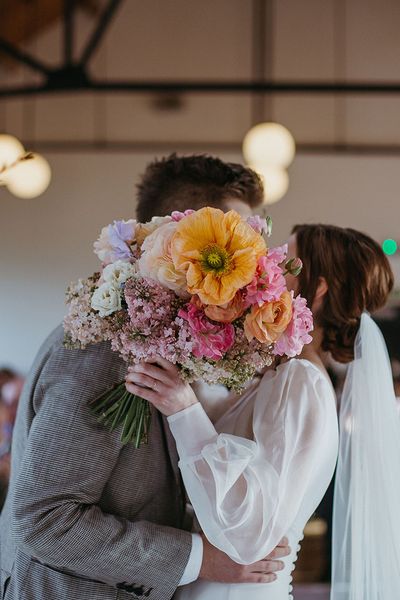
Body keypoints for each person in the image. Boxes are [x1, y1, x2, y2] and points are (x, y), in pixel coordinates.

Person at [0, 154, 289, 600]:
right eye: (237, 251)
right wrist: (201, 558)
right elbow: (43, 519)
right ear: (179, 242)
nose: (249, 273)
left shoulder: (159, 340)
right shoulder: (104, 348)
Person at [126, 224, 396, 600]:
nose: (266, 267)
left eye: (283, 261)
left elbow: (250, 532)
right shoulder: (281, 373)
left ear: (316, 291)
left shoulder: (301, 381)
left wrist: (183, 408)